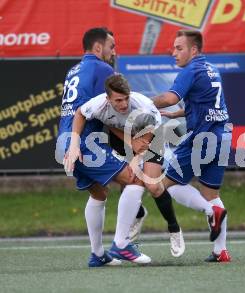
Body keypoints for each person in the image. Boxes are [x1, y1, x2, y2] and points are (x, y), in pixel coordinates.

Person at [56, 27, 150, 267]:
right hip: (87, 144)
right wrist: (131, 139)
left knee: (99, 192)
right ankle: (121, 245)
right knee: (137, 179)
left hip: (66, 142)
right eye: (111, 46)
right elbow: (108, 112)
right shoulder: (103, 69)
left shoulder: (73, 70)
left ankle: (97, 255)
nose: (113, 52)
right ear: (98, 48)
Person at [74, 73, 185, 257]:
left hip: (151, 135)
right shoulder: (98, 104)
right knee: (128, 180)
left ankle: (174, 229)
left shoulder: (143, 106)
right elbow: (80, 113)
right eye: (118, 100)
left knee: (152, 185)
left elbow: (154, 128)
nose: (124, 104)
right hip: (123, 138)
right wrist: (74, 143)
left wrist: (136, 157)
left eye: (126, 98)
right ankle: (138, 213)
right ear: (108, 99)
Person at [152, 30, 232, 262]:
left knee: (167, 185)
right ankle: (221, 251)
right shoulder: (211, 69)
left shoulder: (191, 70)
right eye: (173, 48)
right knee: (211, 194)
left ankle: (211, 213)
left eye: (179, 48)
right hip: (222, 137)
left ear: (194, 50)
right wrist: (177, 113)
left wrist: (144, 103)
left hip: (201, 138)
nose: (173, 52)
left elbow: (169, 97)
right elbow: (204, 102)